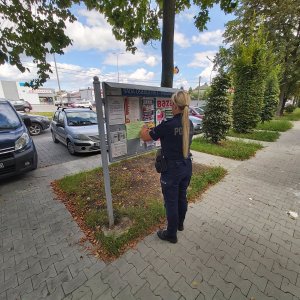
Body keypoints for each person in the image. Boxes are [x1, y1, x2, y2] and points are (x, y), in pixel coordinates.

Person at [140, 90, 194, 243]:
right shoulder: (189, 123)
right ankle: (180, 225)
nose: (170, 106)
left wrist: (144, 127)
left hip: (172, 170)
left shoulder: (168, 125)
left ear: (175, 106)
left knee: (171, 202)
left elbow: (145, 136)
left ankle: (171, 234)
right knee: (181, 197)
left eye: (171, 103)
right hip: (186, 166)